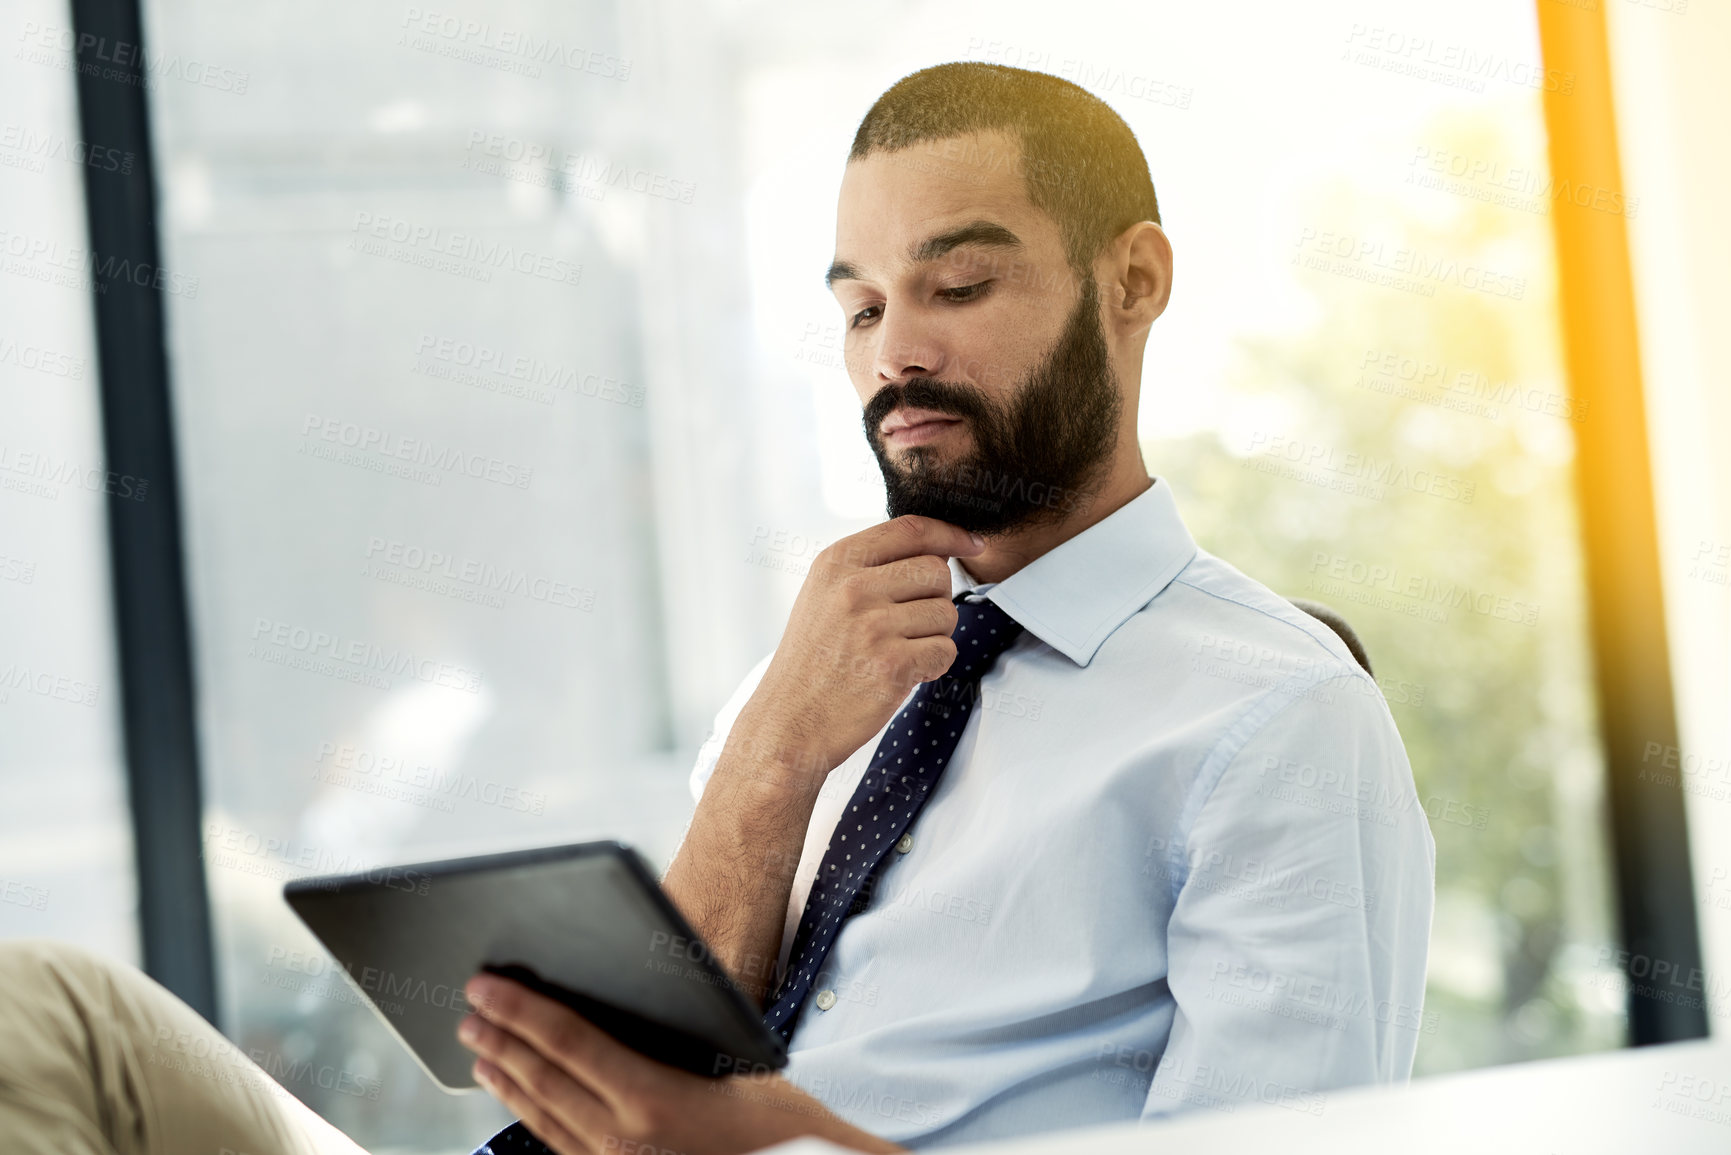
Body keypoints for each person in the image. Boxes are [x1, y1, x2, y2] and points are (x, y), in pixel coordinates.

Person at [0, 62, 1434, 1155]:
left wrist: (780, 1138)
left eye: (961, 284)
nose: (900, 352)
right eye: (863, 308)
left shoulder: (1274, 723)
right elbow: (642, 1065)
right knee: (43, 1012)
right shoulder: (825, 667)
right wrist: (771, 759)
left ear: (1135, 282)